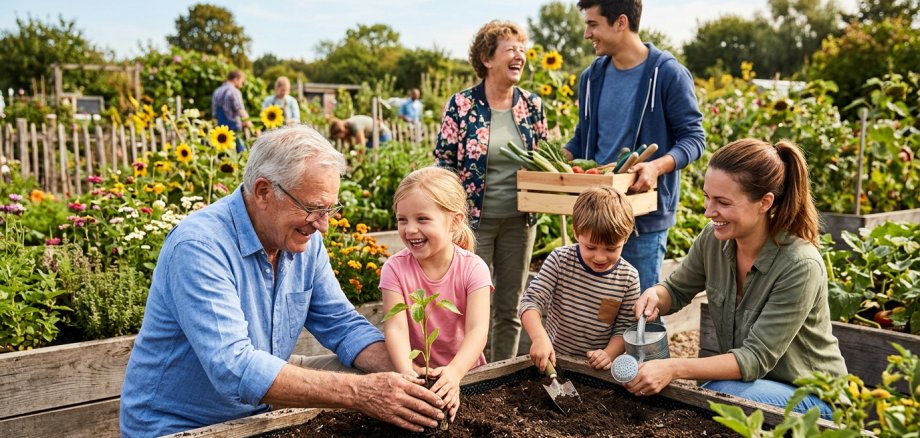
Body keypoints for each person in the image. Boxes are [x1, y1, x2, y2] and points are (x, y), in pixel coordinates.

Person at [120, 125, 446, 436]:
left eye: (330, 209)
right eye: (314, 208)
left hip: (260, 412)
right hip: (182, 426)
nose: (324, 226)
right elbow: (233, 368)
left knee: (385, 381)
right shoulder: (199, 246)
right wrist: (361, 393)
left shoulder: (300, 238)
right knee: (364, 387)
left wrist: (408, 372)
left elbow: (342, 324)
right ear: (264, 191)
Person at [629, 139, 847, 419]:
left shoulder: (800, 265)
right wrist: (655, 295)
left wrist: (673, 367)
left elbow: (755, 358)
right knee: (717, 394)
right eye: (707, 197)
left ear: (765, 202)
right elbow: (676, 289)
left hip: (814, 399)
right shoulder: (714, 240)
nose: (709, 211)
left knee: (719, 396)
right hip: (748, 387)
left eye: (722, 202)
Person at [565, 0, 706, 292]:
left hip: (643, 217)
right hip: (596, 213)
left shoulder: (667, 73)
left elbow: (694, 138)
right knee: (596, 313)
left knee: (643, 313)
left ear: (620, 22)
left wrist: (656, 166)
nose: (586, 34)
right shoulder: (591, 78)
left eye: (593, 24)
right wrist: (560, 157)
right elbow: (583, 136)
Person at [435, 20, 548, 362]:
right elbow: (444, 163)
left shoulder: (532, 107)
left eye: (523, 50)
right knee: (469, 302)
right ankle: (468, 372)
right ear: (487, 58)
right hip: (473, 223)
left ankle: (502, 374)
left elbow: (545, 159)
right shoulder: (462, 106)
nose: (520, 56)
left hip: (520, 220)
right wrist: (450, 217)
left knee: (510, 304)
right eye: (511, 49)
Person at [380, 166, 492, 420]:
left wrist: (453, 374)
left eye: (422, 219)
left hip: (467, 374)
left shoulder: (473, 268)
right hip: (418, 375)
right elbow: (396, 329)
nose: (409, 229)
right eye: (402, 219)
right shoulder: (394, 269)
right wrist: (408, 374)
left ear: (454, 222)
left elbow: (477, 331)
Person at [520, 186, 640, 373]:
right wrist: (539, 338)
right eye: (591, 247)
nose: (600, 257)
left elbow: (625, 328)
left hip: (596, 370)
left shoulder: (628, 278)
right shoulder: (560, 261)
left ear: (625, 238)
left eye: (611, 249)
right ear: (576, 232)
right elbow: (530, 302)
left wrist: (608, 354)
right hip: (555, 360)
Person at [211, 70, 252, 152]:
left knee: (225, 154)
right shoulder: (234, 91)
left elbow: (214, 113)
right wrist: (250, 124)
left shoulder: (217, 91)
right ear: (235, 79)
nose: (241, 84)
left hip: (220, 132)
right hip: (234, 129)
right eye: (241, 81)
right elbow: (240, 110)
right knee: (241, 152)